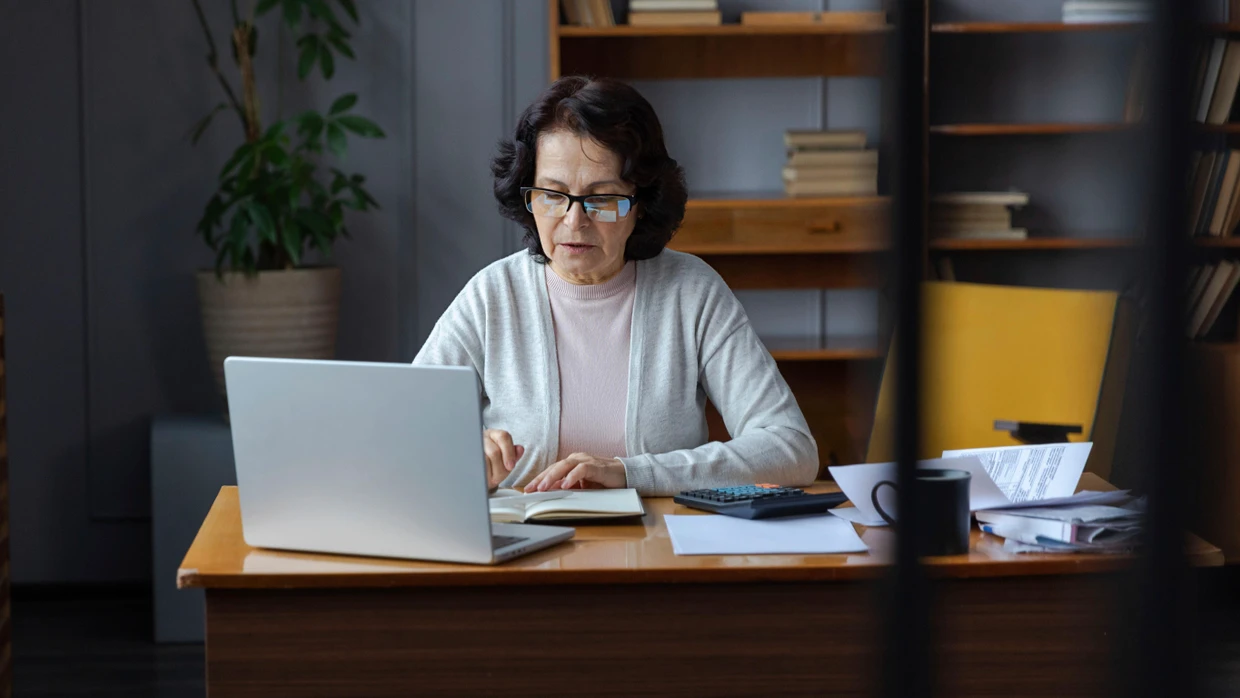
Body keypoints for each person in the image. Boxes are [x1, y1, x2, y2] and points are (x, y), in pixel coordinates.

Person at [414, 75, 818, 496]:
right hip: (523, 534)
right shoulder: (492, 296)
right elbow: (402, 428)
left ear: (641, 205)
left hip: (659, 534)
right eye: (552, 195)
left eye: (602, 198)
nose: (574, 222)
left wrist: (633, 473)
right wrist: (460, 451)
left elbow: (791, 448)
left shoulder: (691, 293)